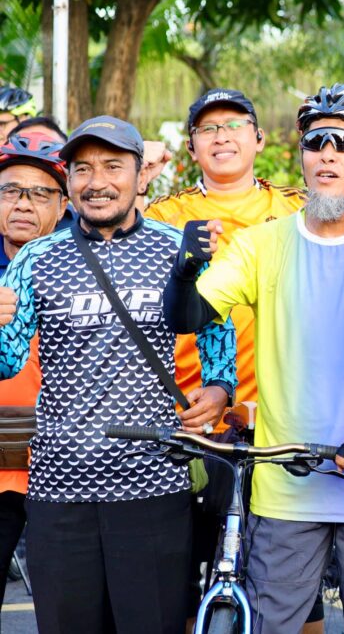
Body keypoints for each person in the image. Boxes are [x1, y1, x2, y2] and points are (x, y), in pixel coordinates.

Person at [162, 83, 344, 634]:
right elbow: (188, 319)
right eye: (315, 141)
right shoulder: (261, 243)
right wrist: (184, 271)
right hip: (284, 487)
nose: (327, 154)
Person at [0, 116, 237, 634]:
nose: (96, 181)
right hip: (59, 488)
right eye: (82, 168)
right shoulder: (38, 257)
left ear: (138, 175)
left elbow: (218, 332)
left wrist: (219, 389)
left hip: (152, 485)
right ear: (68, 180)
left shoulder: (179, 248)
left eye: (112, 165)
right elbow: (6, 359)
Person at [144, 87, 314, 627]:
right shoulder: (164, 214)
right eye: (208, 129)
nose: (222, 136)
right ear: (191, 147)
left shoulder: (297, 207)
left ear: (259, 139)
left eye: (235, 124)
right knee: (182, 566)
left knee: (293, 573)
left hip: (277, 413)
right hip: (189, 415)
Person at [0, 132, 69, 621]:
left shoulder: (86, 263)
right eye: (10, 190)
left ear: (64, 204)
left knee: (71, 608)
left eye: (41, 192)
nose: (24, 203)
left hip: (64, 466)